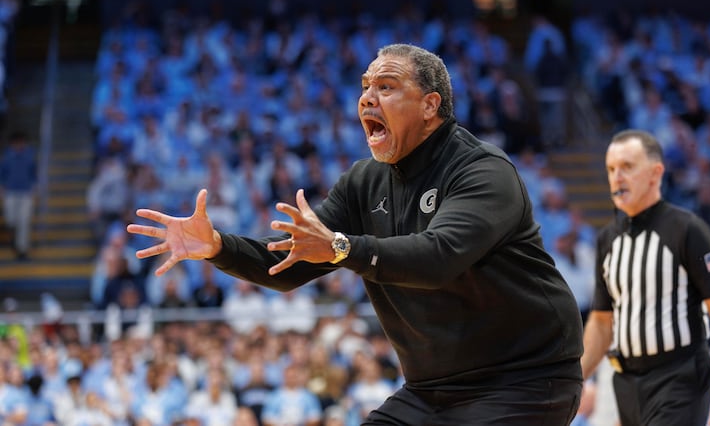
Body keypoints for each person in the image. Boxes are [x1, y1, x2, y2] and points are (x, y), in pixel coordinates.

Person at [127, 43, 584, 425]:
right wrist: (218, 247)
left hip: (525, 379)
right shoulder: (363, 182)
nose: (367, 98)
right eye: (365, 86)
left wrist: (342, 248)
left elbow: (438, 257)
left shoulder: (483, 171)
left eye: (386, 86)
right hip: (431, 390)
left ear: (430, 106)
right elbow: (287, 263)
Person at [580, 129, 710, 426]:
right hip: (626, 382)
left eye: (627, 167)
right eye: (611, 169)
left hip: (680, 377)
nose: (617, 177)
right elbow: (602, 323)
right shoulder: (607, 240)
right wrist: (575, 379)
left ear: (656, 173)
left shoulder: (688, 229)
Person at [0, 130, 37, 260]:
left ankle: (22, 248)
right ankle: (14, 238)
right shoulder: (7, 156)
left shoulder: (30, 155)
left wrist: (34, 188)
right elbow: (2, 173)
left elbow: (34, 173)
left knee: (24, 221)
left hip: (25, 192)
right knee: (11, 220)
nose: (20, 144)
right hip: (10, 191)